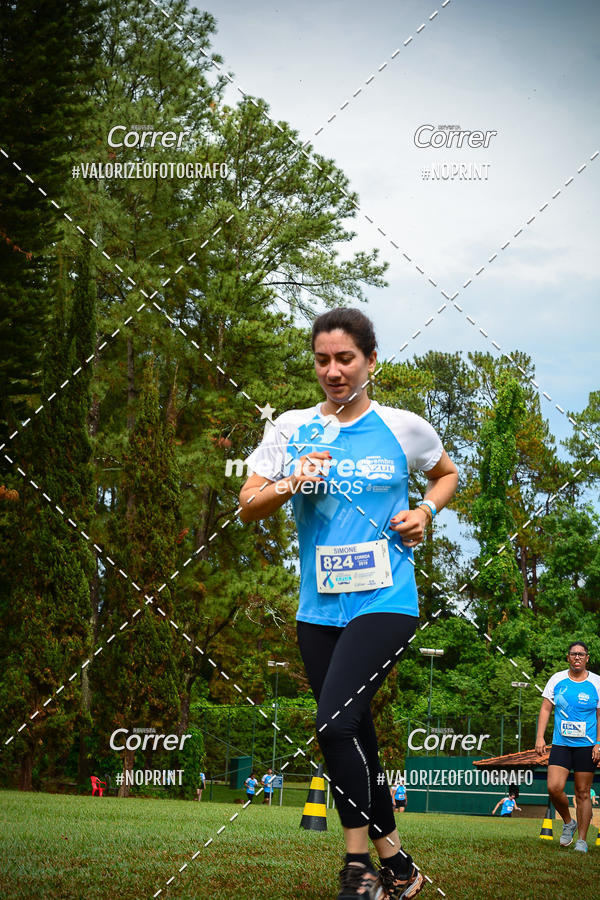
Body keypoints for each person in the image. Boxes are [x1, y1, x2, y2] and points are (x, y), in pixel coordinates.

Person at [240, 308, 458, 899]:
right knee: (353, 732)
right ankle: (399, 867)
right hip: (318, 609)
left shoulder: (403, 427)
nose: (333, 371)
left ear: (371, 361)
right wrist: (291, 481)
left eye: (345, 359)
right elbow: (247, 503)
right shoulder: (290, 427)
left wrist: (425, 512)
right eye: (322, 360)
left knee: (333, 722)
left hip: (386, 599)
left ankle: (358, 866)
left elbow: (446, 474)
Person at [535, 641, 600, 853]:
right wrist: (540, 737)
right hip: (561, 744)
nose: (578, 657)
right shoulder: (557, 679)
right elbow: (545, 709)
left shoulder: (597, 683)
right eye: (574, 654)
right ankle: (568, 822)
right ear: (568, 657)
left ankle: (582, 840)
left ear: (587, 658)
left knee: (583, 792)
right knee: (554, 787)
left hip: (587, 745)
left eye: (581, 654)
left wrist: (599, 743)